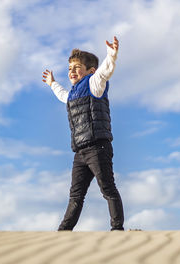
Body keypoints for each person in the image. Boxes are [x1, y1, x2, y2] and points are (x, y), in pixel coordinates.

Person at [42, 36, 124, 231]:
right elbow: (63, 95)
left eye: (77, 67)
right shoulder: (72, 94)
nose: (72, 71)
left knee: (107, 188)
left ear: (90, 71)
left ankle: (117, 229)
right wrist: (52, 83)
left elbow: (106, 71)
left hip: (98, 147)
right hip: (80, 152)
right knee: (76, 195)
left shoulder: (95, 84)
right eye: (70, 68)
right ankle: (63, 231)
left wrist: (111, 55)